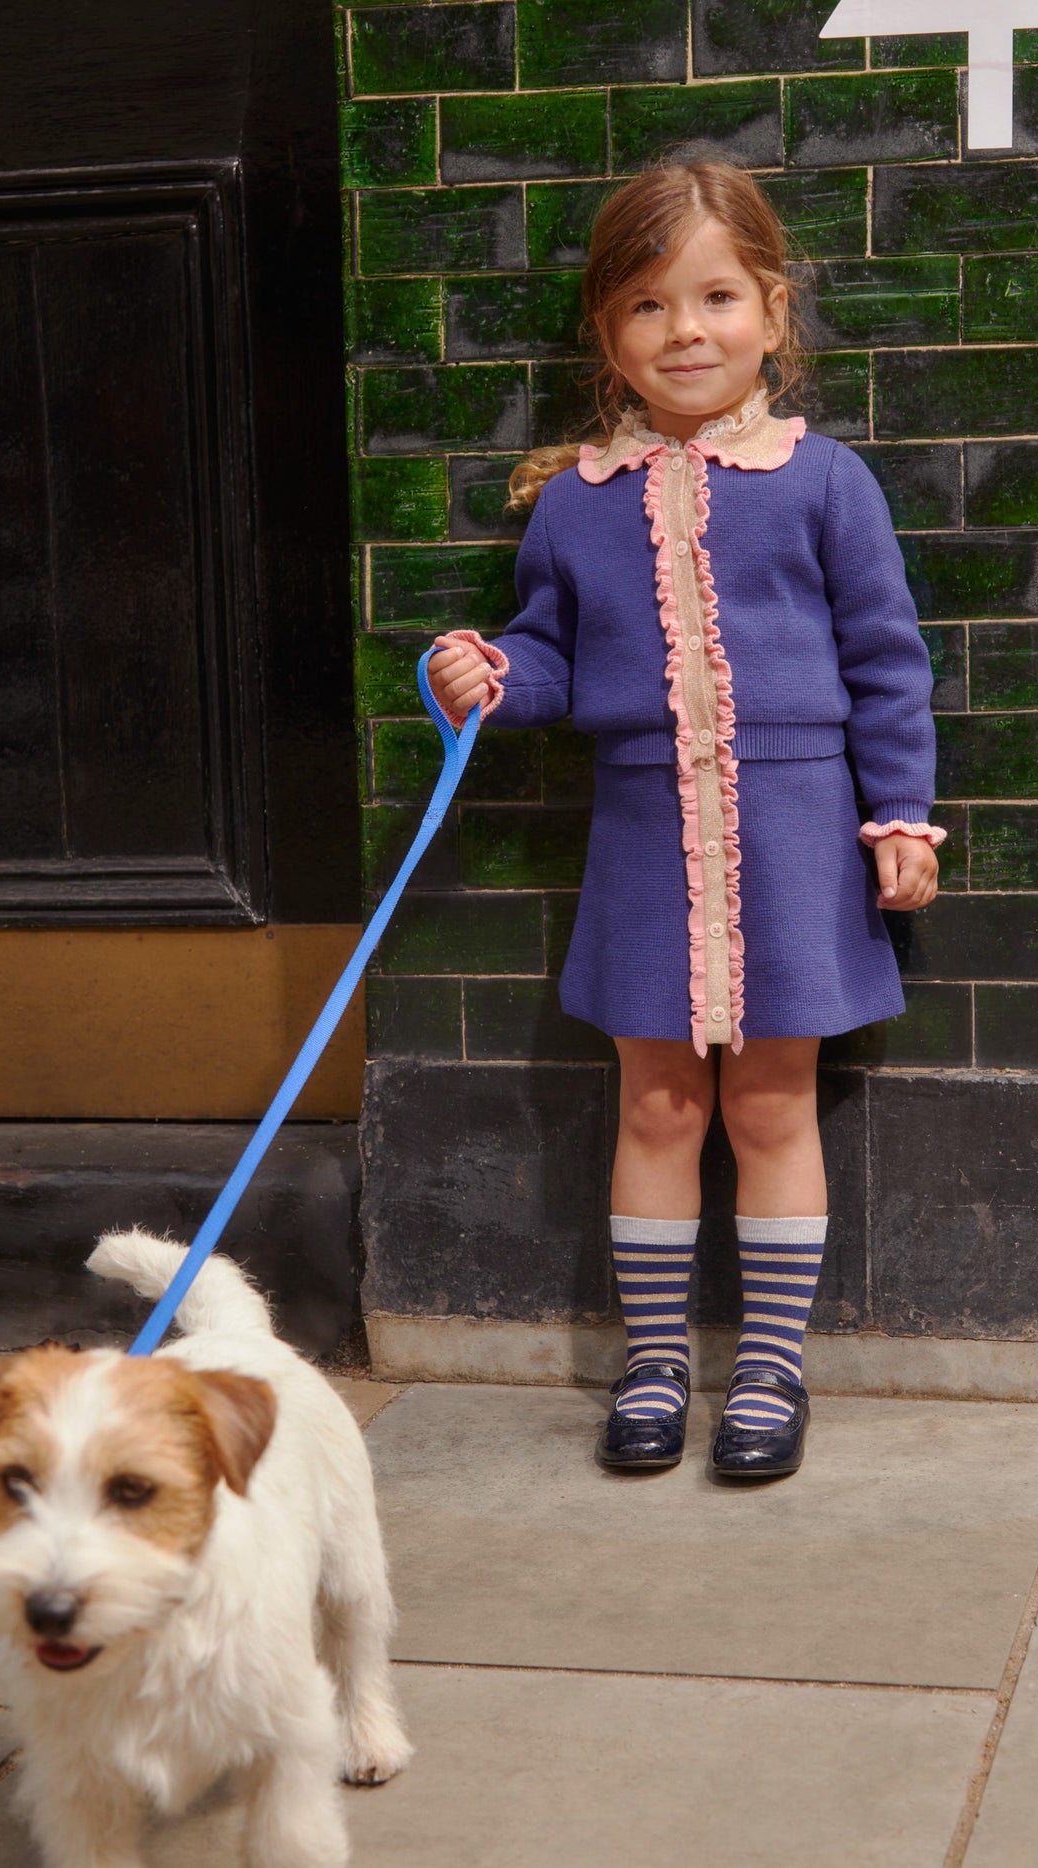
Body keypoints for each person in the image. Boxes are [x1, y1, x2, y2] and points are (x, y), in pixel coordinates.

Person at [428, 160, 940, 1480]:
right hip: (646, 843)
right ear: (609, 337)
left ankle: (768, 1369)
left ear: (771, 314)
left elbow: (885, 661)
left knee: (773, 1104)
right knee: (653, 1102)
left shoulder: (823, 483)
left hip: (795, 836)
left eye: (716, 297)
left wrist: (898, 815)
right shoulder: (576, 507)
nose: (686, 331)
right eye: (648, 306)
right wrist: (486, 676)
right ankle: (654, 1361)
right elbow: (549, 659)